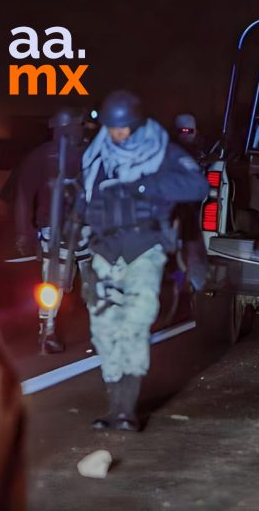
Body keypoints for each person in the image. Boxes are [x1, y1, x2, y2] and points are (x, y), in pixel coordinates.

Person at [80, 90, 208, 431]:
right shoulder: (97, 155)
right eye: (111, 128)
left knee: (135, 323)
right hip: (105, 249)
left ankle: (125, 410)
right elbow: (84, 198)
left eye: (122, 128)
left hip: (145, 246)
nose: (116, 135)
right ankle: (113, 402)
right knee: (104, 328)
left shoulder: (161, 150)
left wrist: (142, 187)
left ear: (135, 124)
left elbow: (197, 186)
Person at [12, 107, 91, 353]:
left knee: (82, 281)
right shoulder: (46, 156)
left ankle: (52, 333)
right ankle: (48, 332)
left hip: (82, 229)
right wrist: (24, 231)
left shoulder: (87, 153)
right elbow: (24, 196)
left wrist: (24, 232)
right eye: (77, 126)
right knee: (55, 284)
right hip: (62, 231)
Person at [172, 112, 210, 292]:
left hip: (193, 210)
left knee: (193, 245)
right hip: (173, 208)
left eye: (189, 131)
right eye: (182, 131)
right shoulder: (169, 151)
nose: (185, 135)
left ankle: (194, 284)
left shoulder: (203, 153)